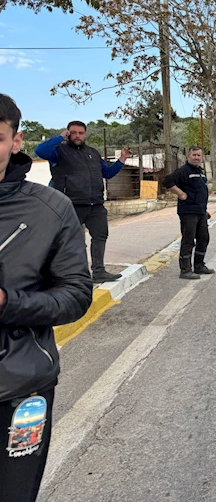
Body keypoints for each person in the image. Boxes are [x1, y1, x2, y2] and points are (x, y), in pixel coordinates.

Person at [0, 94, 93, 502]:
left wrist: (9, 303)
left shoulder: (49, 209)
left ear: (15, 141)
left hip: (20, 388)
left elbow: (75, 296)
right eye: (72, 132)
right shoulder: (61, 149)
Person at [34, 121, 132, 283]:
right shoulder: (59, 151)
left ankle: (99, 272)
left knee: (100, 236)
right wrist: (59, 137)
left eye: (81, 133)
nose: (77, 136)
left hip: (96, 205)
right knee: (73, 241)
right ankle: (72, 274)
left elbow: (107, 173)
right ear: (68, 133)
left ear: (85, 134)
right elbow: (39, 150)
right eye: (73, 132)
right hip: (70, 205)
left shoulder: (93, 153)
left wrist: (122, 159)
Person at [163, 147, 215, 280]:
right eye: (194, 155)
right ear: (188, 156)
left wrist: (204, 210)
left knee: (203, 238)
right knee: (188, 240)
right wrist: (180, 193)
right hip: (188, 212)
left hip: (200, 212)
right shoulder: (183, 171)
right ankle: (185, 270)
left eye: (199, 155)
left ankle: (199, 265)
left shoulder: (200, 172)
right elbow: (167, 181)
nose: (197, 157)